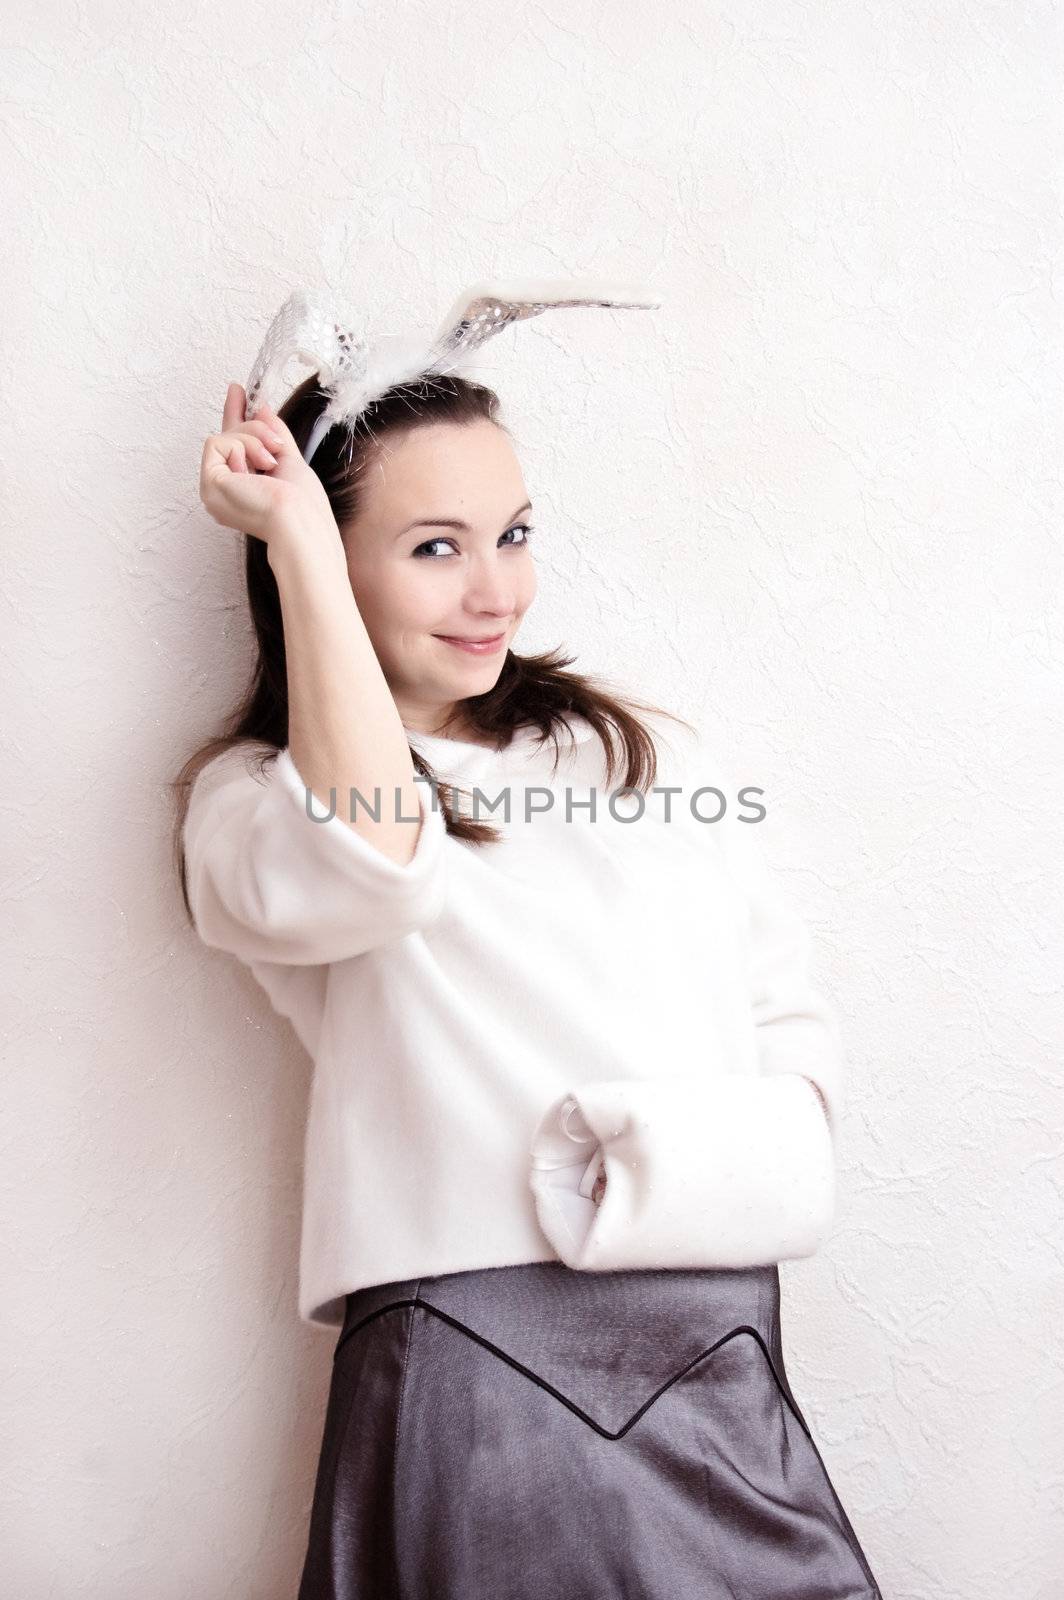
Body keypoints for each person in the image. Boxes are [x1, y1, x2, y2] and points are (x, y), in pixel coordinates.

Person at [173, 370, 883, 1599]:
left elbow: (779, 1003)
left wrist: (755, 1160)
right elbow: (377, 865)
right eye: (434, 547)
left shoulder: (633, 751)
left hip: (716, 1343)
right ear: (325, 570)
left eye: (511, 533)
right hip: (477, 1370)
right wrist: (292, 536)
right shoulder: (254, 807)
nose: (496, 589)